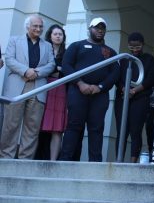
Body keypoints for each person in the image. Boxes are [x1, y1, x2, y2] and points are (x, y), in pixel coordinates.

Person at [58, 17, 119, 162]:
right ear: (89, 29)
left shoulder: (110, 52)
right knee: (74, 126)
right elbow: (66, 65)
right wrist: (80, 83)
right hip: (77, 92)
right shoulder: (76, 46)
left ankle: (95, 164)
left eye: (102, 28)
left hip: (99, 95)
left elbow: (115, 73)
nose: (99, 30)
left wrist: (100, 87)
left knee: (96, 129)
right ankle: (65, 161)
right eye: (96, 27)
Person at [0, 15, 55, 159]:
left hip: (38, 88)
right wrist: (25, 71)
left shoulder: (47, 45)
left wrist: (37, 72)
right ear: (27, 26)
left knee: (32, 128)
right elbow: (9, 59)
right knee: (10, 125)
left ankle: (25, 161)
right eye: (35, 26)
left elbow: (51, 64)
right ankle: (6, 158)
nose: (38, 29)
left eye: (41, 26)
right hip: (16, 88)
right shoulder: (14, 40)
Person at [114, 32, 154, 163]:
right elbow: (117, 77)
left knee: (136, 131)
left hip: (140, 98)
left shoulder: (149, 59)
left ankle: (133, 161)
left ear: (142, 45)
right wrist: (124, 89)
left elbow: (150, 79)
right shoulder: (124, 59)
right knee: (121, 131)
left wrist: (134, 90)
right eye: (132, 46)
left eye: (137, 46)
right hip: (123, 98)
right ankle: (119, 160)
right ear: (128, 45)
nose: (134, 49)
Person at [36, 24, 68, 160]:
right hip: (44, 87)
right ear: (50, 36)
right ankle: (36, 157)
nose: (58, 36)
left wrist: (57, 69)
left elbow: (67, 70)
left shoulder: (67, 53)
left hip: (60, 89)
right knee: (39, 124)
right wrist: (57, 69)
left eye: (60, 34)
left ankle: (53, 161)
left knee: (57, 127)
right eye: (55, 34)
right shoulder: (42, 50)